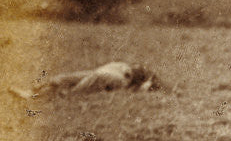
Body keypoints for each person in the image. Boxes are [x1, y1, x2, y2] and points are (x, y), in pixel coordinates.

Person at [13, 61, 160, 96]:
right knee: (63, 79)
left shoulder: (132, 79)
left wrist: (147, 81)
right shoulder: (122, 66)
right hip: (102, 73)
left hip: (108, 77)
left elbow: (140, 86)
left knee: (92, 78)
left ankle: (68, 94)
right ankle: (34, 92)